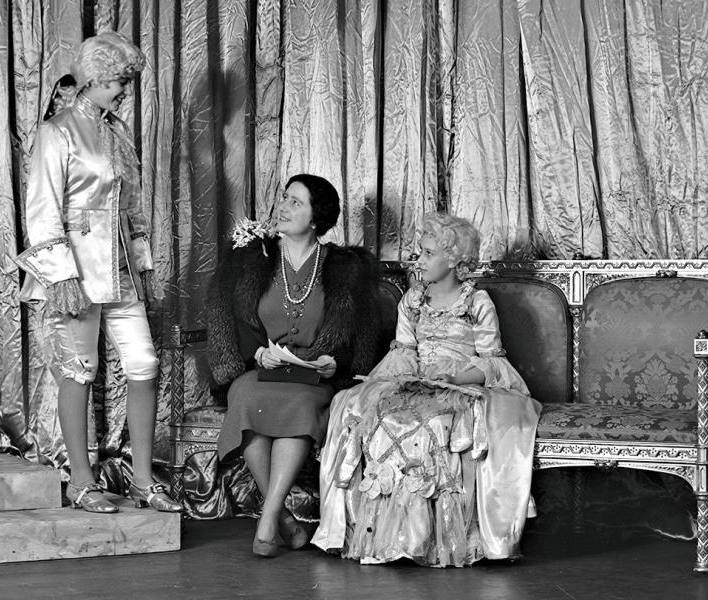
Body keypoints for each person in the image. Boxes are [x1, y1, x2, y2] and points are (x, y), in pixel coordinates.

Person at [312, 212, 542, 567]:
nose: (419, 261)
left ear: (454, 260)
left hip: (459, 385)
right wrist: (405, 378)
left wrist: (454, 379)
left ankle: (431, 536)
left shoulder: (476, 303)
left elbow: (491, 360)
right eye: (420, 251)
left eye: (428, 253)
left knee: (435, 426)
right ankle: (388, 536)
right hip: (417, 381)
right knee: (374, 414)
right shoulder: (412, 301)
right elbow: (403, 351)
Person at [15, 32, 182, 514]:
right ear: (93, 78)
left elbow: (133, 209)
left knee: (145, 364)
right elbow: (42, 209)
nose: (125, 91)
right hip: (77, 272)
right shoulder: (58, 130)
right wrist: (60, 275)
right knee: (79, 370)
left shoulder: (118, 132)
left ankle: (144, 480)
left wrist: (144, 265)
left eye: (127, 83)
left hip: (121, 270)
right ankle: (81, 482)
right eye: (118, 81)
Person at [206, 174, 379, 557]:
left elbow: (364, 334)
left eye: (295, 202)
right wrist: (255, 354)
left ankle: (269, 520)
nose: (283, 206)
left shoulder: (345, 268)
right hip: (260, 370)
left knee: (301, 405)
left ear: (317, 217)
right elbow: (228, 317)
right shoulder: (254, 257)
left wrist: (339, 364)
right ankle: (279, 519)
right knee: (247, 399)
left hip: (311, 376)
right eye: (283, 197)